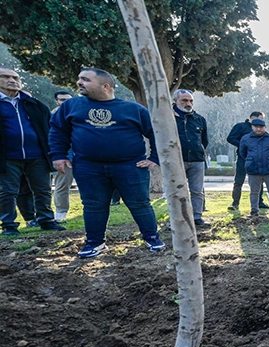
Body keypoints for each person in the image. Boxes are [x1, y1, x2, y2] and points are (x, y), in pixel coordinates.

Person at [49, 67, 164, 258]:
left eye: (85, 79)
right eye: (79, 78)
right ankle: (95, 243)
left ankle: (152, 238)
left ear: (105, 86)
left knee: (140, 204)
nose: (79, 83)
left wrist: (153, 159)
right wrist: (58, 155)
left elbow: (157, 133)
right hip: (88, 166)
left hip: (130, 166)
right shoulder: (72, 106)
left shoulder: (132, 109)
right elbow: (58, 131)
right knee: (93, 205)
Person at [1, 66, 65, 236]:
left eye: (15, 78)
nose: (12, 81)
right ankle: (8, 225)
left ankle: (46, 220)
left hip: (37, 155)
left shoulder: (33, 104)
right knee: (8, 191)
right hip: (7, 157)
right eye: (6, 77)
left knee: (43, 189)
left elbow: (50, 129)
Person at [172, 89, 210, 228]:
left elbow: (204, 140)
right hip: (176, 160)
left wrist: (199, 151)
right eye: (184, 100)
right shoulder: (168, 118)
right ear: (175, 101)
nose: (188, 104)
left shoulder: (199, 119)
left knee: (197, 191)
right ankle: (177, 219)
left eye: (191, 101)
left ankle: (197, 218)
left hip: (196, 160)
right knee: (176, 192)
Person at [238, 118, 269, 218]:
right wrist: (251, 160)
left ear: (265, 127)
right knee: (254, 192)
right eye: (256, 127)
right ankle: (254, 210)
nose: (258, 129)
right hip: (253, 170)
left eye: (261, 127)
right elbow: (243, 153)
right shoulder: (245, 138)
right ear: (252, 127)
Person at [226, 111, 269, 210]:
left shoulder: (261, 129)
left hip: (257, 158)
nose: (262, 121)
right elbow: (230, 138)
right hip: (243, 158)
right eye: (261, 118)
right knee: (239, 180)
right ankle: (235, 202)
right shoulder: (240, 126)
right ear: (253, 118)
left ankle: (260, 202)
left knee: (259, 180)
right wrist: (243, 145)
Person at [51, 91, 74, 222]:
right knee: (62, 185)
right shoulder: (53, 115)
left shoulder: (77, 114)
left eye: (68, 100)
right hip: (64, 156)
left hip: (82, 155)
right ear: (57, 101)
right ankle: (61, 211)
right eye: (62, 100)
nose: (66, 102)